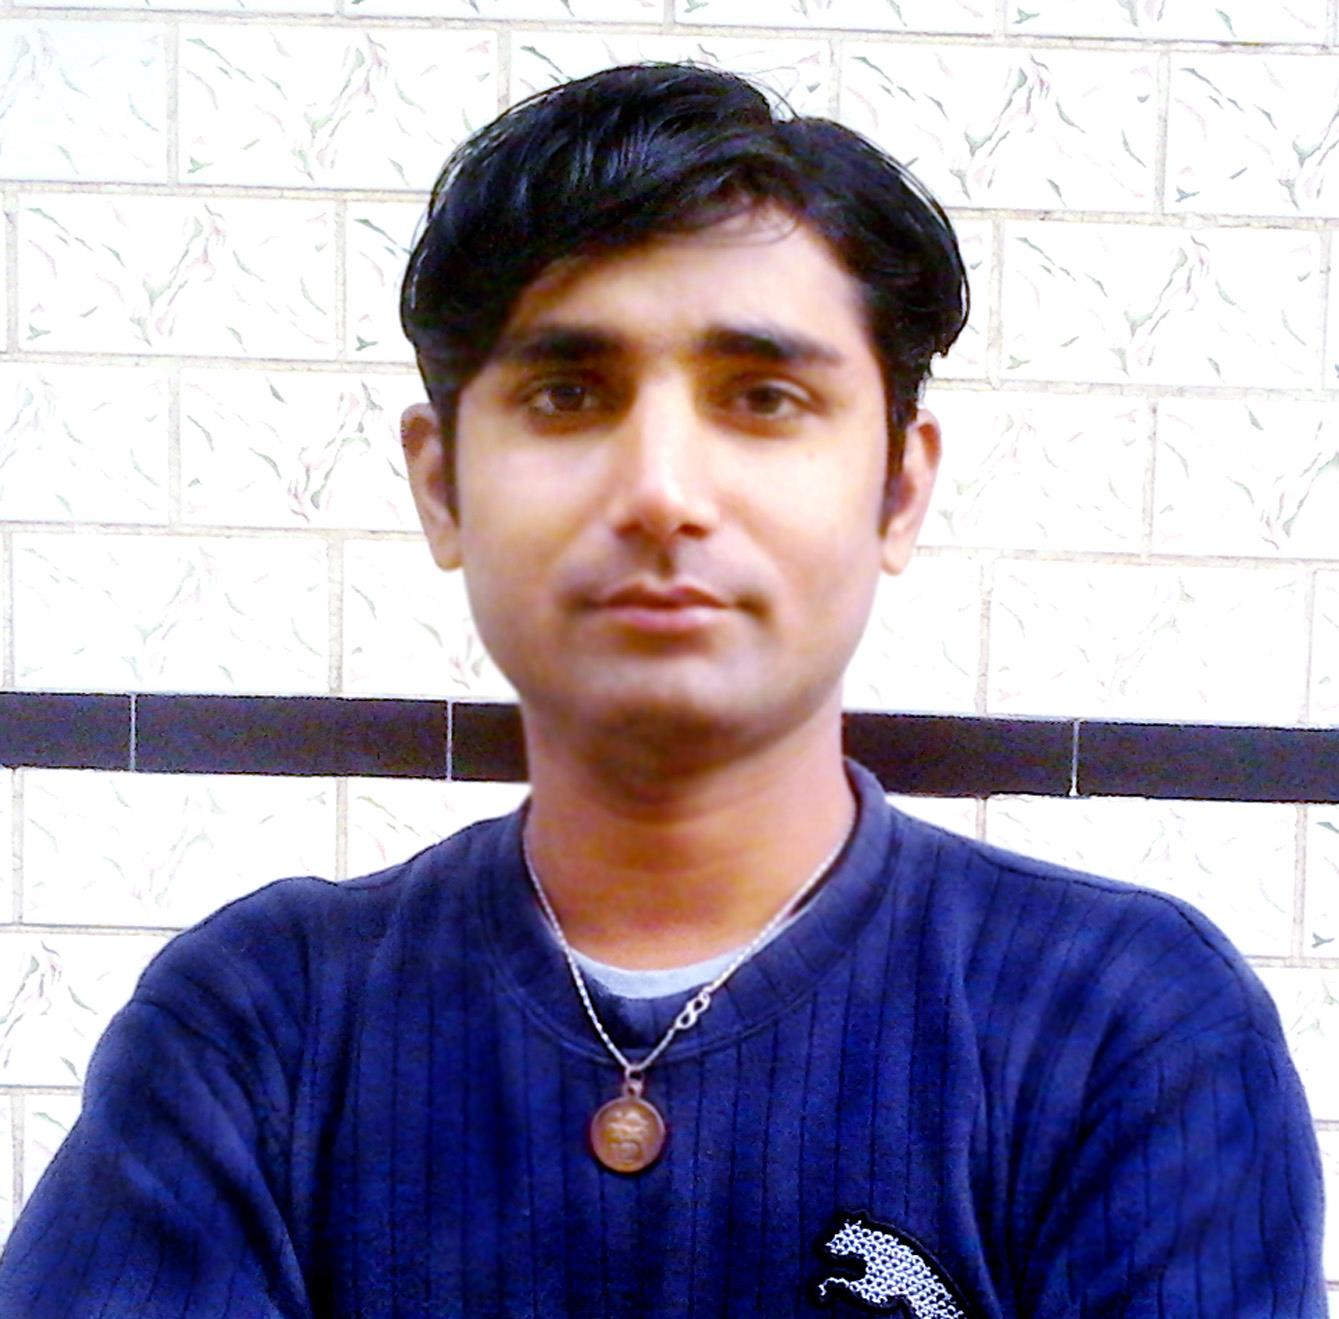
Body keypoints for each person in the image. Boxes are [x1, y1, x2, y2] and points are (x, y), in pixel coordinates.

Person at [0, 62, 1325, 1318]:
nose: (661, 491)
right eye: (569, 394)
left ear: (899, 487)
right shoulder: (259, 1027)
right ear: (444, 483)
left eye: (763, 397)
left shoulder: (1126, 1026)